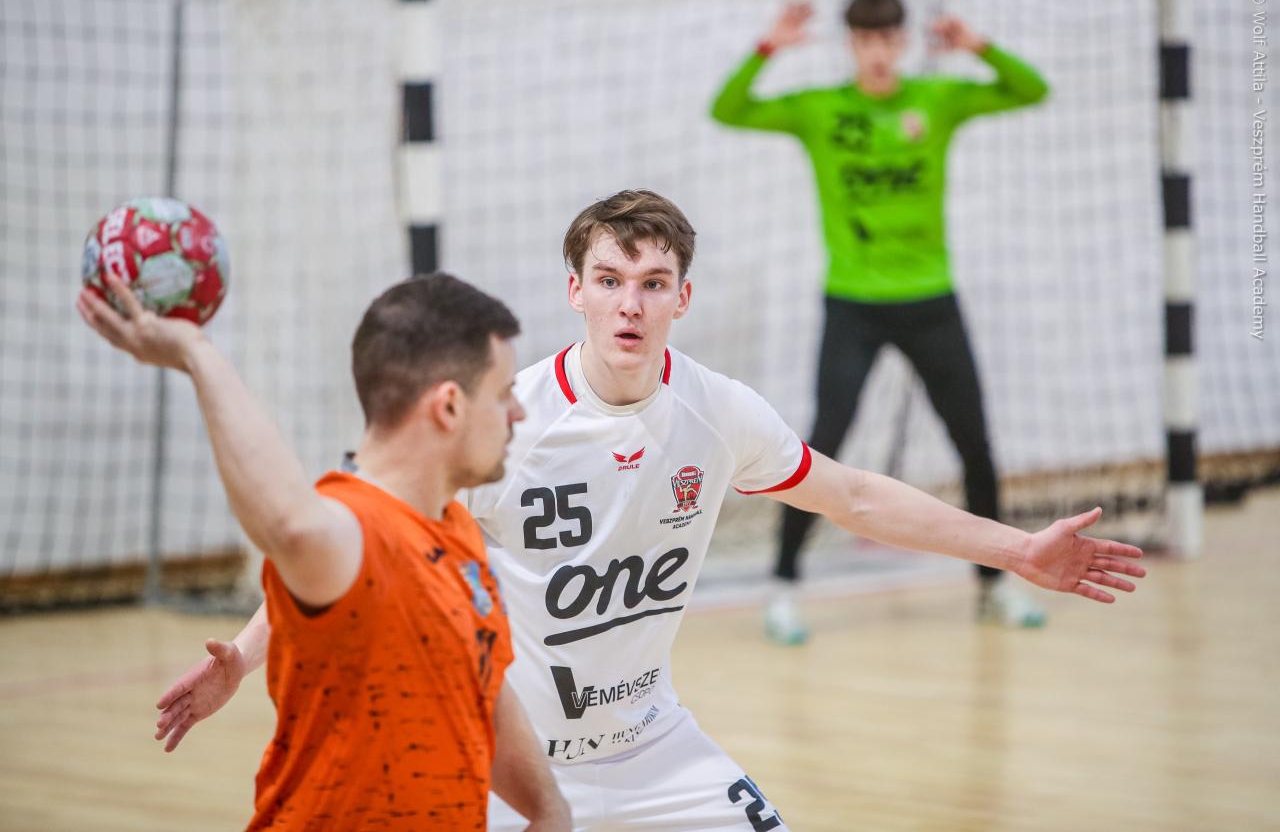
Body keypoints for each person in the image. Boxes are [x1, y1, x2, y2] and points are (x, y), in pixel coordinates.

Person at [154, 191, 1144, 831]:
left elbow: (851, 493)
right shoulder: (504, 422)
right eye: (610, 281)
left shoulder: (715, 411)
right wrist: (240, 657)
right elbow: (357, 532)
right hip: (509, 771)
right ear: (575, 291)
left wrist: (1015, 549)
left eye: (652, 283)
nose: (629, 303)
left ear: (681, 297)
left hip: (653, 748)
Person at [80, 272, 569, 830]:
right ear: (450, 406)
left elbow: (482, 688)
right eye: (503, 394)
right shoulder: (355, 523)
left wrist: (548, 808)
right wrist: (197, 353)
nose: (518, 413)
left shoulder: (455, 526)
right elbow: (294, 528)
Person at [710, 0, 1052, 642]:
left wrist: (978, 45)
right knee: (822, 444)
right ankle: (782, 588)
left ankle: (994, 585)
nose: (876, 52)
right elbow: (727, 110)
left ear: (902, 42)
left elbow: (1031, 90)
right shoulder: (820, 110)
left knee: (974, 442)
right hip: (854, 305)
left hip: (931, 301)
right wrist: (767, 48)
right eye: (865, 41)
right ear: (852, 44)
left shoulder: (937, 99)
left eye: (887, 39)